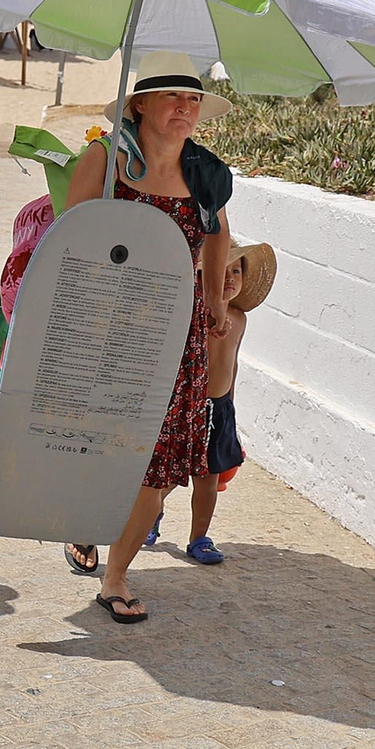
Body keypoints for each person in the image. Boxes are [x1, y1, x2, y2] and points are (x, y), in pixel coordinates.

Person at [60, 70, 234, 624]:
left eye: (193, 99)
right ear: (139, 105)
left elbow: (217, 235)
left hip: (174, 334)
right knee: (98, 445)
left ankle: (115, 576)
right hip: (105, 332)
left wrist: (213, 299)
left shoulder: (206, 173)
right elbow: (69, 239)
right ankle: (85, 521)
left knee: (154, 462)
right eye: (172, 97)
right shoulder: (105, 160)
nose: (185, 107)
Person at [143, 241, 275, 563]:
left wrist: (230, 402)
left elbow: (234, 363)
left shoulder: (239, 320)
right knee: (170, 472)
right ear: (202, 276)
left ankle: (199, 537)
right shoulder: (190, 314)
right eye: (221, 272)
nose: (229, 278)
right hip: (185, 406)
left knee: (209, 479)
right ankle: (149, 513)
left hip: (217, 409)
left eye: (236, 271)